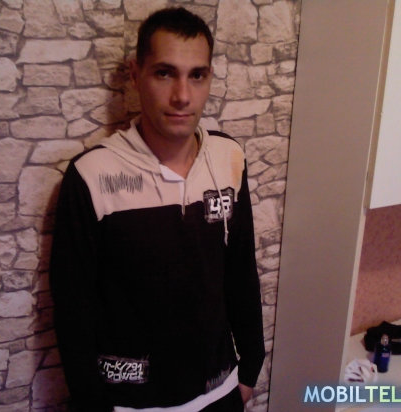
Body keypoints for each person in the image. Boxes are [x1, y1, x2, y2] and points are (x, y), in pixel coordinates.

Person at [49, 7, 265, 412]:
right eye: (165, 73)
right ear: (135, 75)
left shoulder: (229, 157)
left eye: (197, 75)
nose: (182, 95)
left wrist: (250, 368)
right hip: (131, 403)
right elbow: (73, 311)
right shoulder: (92, 175)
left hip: (221, 392)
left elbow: (241, 272)